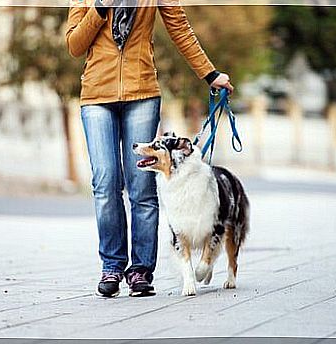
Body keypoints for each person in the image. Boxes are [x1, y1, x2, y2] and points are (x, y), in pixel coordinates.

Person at [65, 0, 234, 298]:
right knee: (105, 183)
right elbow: (75, 44)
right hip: (96, 94)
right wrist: (100, 7)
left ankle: (141, 269)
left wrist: (210, 74)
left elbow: (180, 28)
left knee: (141, 185)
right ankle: (112, 266)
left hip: (141, 91)